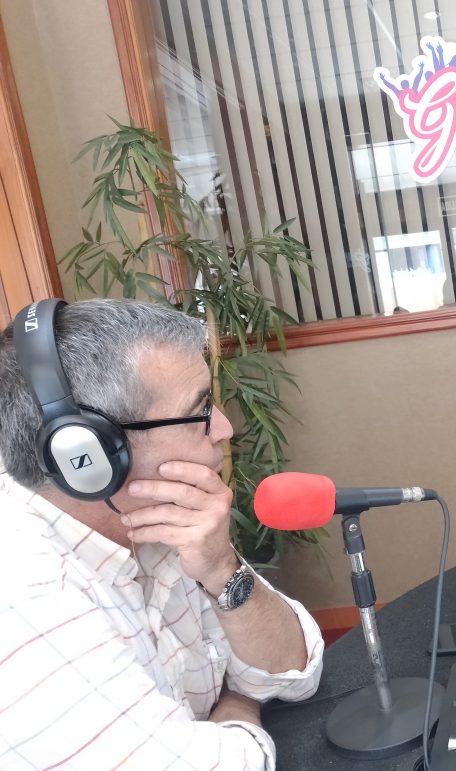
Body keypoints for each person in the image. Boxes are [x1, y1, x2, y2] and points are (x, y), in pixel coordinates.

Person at [0, 298, 324, 769]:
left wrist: (221, 569)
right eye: (202, 409)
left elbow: (293, 669)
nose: (225, 429)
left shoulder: (160, 521)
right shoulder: (27, 597)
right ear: (87, 453)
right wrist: (240, 705)